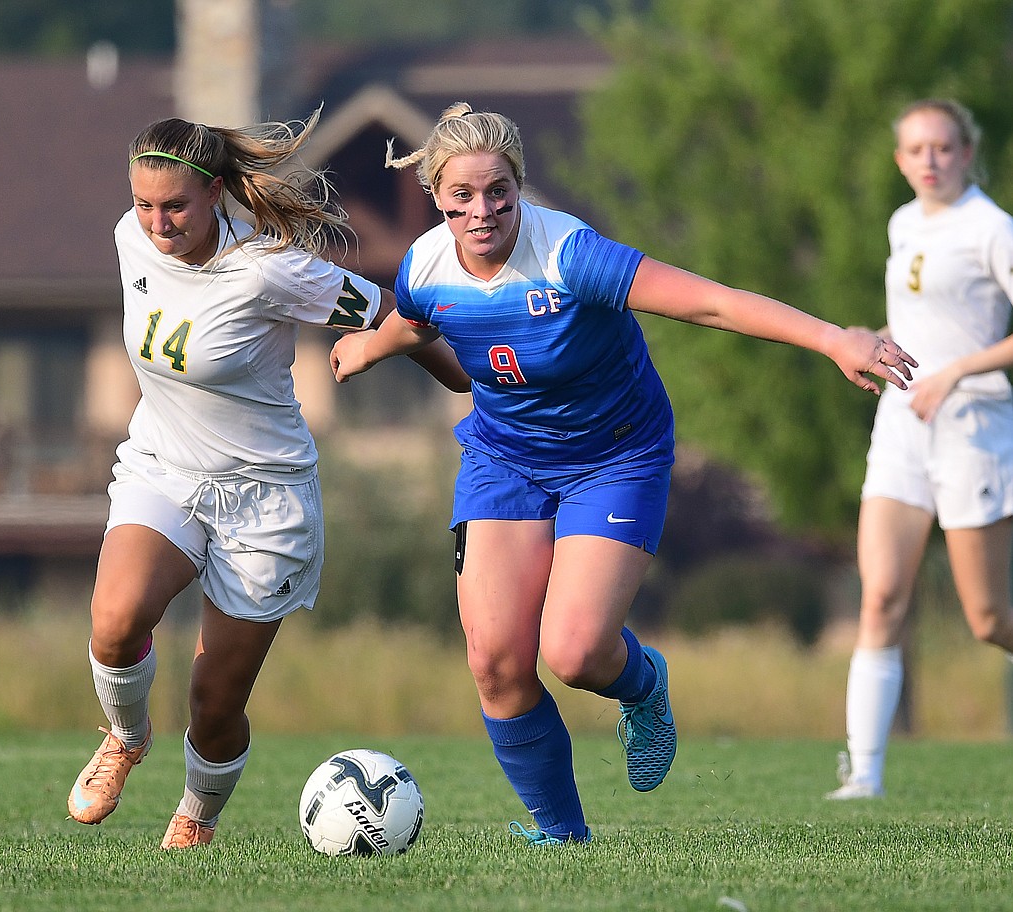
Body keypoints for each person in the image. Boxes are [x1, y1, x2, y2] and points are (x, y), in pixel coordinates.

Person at [329, 102, 916, 844]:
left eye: (499, 193)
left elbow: (711, 304)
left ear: (520, 185)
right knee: (496, 662)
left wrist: (834, 338)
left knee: (573, 652)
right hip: (505, 460)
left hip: (615, 456)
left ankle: (644, 687)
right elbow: (421, 324)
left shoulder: (571, 255)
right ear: (439, 200)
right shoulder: (423, 265)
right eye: (462, 200)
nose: (482, 213)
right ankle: (562, 837)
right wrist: (372, 347)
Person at [66, 110, 468, 849]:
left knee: (214, 701)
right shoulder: (132, 238)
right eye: (145, 204)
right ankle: (124, 739)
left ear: (215, 192)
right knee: (116, 622)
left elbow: (392, 311)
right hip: (166, 470)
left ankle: (197, 817)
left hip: (266, 501)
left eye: (176, 206)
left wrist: (466, 385)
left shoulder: (270, 268)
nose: (158, 222)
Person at [826, 99, 1013, 800]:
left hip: (974, 431)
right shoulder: (904, 222)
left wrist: (957, 371)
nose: (929, 160)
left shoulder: (992, 229)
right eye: (915, 149)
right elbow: (919, 318)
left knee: (989, 620)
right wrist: (870, 340)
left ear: (966, 152)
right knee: (879, 596)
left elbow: (978, 341)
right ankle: (863, 774)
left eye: (942, 147)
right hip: (903, 428)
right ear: (900, 160)